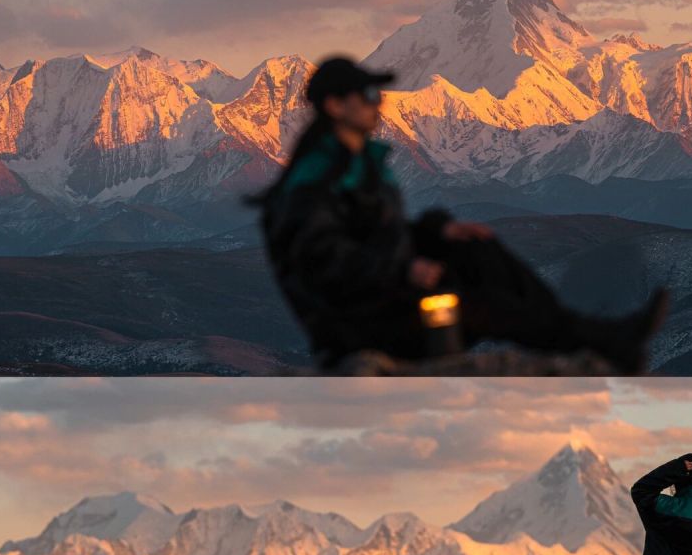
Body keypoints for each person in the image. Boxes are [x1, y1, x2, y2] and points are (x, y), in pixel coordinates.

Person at [256, 55, 669, 371]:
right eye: (366, 96)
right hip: (358, 324)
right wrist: (402, 271)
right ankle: (604, 344)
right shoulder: (312, 181)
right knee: (480, 301)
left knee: (478, 250)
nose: (377, 105)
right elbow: (324, 260)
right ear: (333, 106)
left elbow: (380, 235)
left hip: (381, 295)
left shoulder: (353, 166)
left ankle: (591, 336)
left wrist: (440, 231)